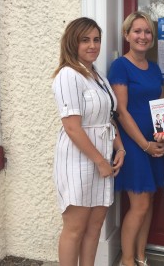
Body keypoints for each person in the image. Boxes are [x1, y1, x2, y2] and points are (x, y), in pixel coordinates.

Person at [52, 17, 125, 266]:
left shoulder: (97, 75)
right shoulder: (68, 75)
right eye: (85, 40)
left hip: (103, 155)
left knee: (95, 227)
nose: (92, 45)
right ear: (73, 43)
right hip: (79, 159)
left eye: (96, 39)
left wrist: (120, 147)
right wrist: (99, 162)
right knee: (75, 228)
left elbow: (108, 117)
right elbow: (72, 127)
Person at [108, 11, 164, 266]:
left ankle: (142, 256)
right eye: (137, 31)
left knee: (149, 199)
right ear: (126, 35)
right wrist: (144, 145)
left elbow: (162, 104)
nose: (142, 36)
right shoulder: (120, 66)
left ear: (152, 38)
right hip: (133, 145)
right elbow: (120, 111)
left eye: (147, 32)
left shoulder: (154, 68)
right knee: (140, 204)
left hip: (154, 143)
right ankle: (127, 260)